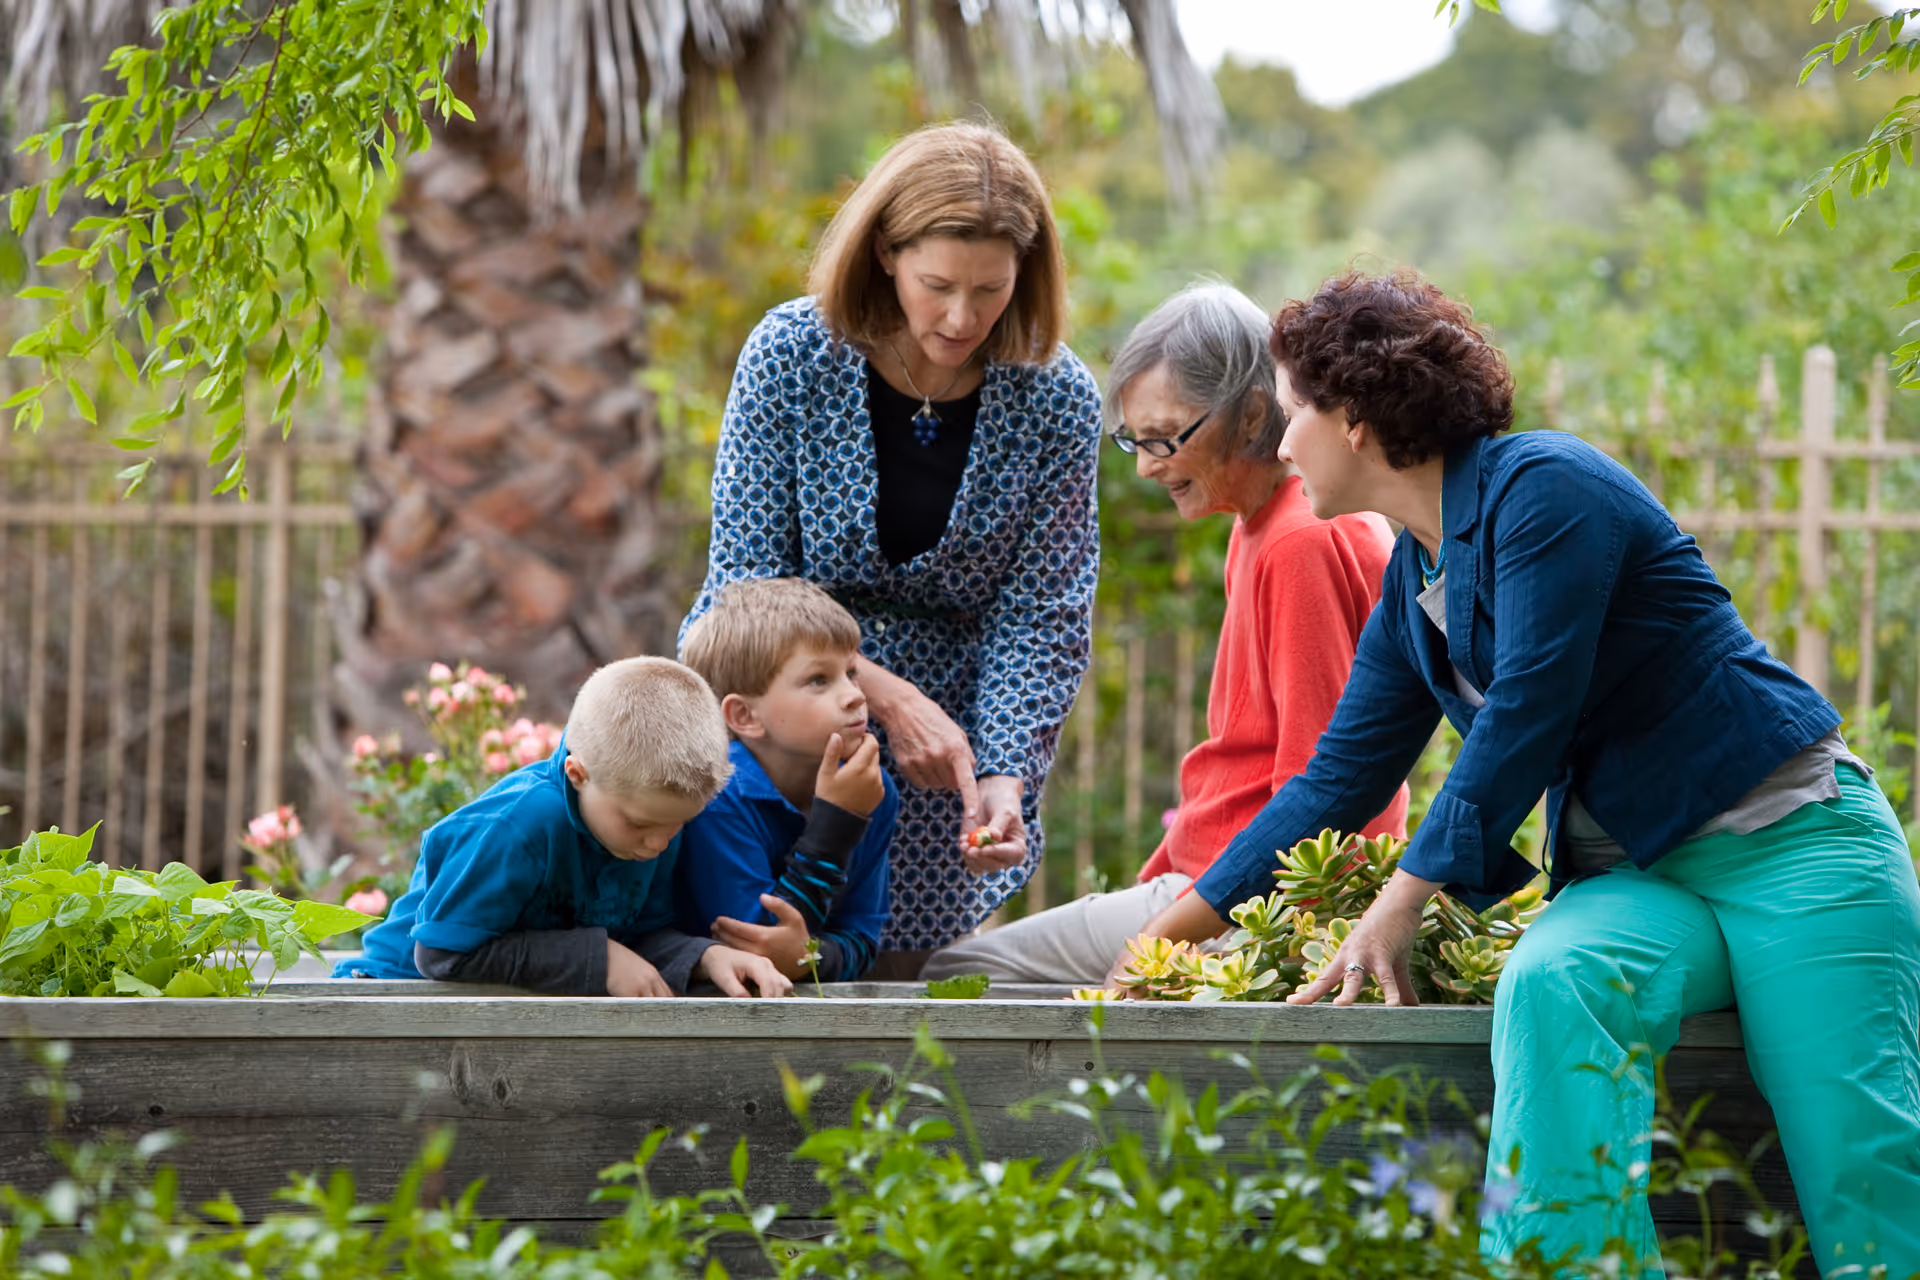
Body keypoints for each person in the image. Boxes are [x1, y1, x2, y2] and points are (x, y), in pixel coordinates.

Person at [1117, 268, 1920, 1274]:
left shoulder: (1546, 488)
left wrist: (1403, 895)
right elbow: (1334, 783)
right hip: (1644, 876)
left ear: (1356, 416)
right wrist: (1154, 943)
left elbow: (1531, 709)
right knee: (1553, 977)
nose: (1278, 445)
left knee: (1861, 1175)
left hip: (1795, 847)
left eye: (1292, 415)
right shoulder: (1412, 579)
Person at [680, 121, 1101, 977]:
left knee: (895, 984)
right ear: (883, 253)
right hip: (774, 707)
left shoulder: (1058, 398)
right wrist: (885, 696)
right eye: (937, 284)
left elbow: (1043, 613)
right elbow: (745, 584)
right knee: (746, 954)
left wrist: (1001, 775)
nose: (961, 317)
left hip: (955, 745)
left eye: (990, 290)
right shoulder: (793, 355)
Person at [921, 282, 1405, 986]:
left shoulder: (1303, 538)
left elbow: (1323, 792)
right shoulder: (1262, 519)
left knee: (952, 978)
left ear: (1250, 418)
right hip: (1208, 880)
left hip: (1245, 902)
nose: (1145, 465)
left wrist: (1167, 937)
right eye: (1133, 440)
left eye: (1164, 438)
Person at [335, 657, 791, 998]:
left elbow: (637, 934)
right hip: (395, 998)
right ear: (578, 773)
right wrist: (600, 957)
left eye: (677, 826)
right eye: (639, 823)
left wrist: (704, 957)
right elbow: (442, 955)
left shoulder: (652, 826)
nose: (658, 844)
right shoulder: (517, 826)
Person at [676, 578, 898, 984]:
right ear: (745, 716)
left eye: (851, 673)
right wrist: (835, 827)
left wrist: (809, 957)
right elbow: (759, 949)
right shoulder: (718, 797)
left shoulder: (873, 791)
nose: (854, 696)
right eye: (819, 679)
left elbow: (864, 941)